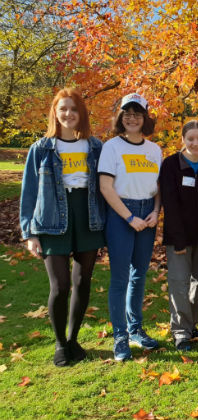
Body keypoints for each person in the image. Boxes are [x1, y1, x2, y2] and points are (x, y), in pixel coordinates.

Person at [19, 88, 105, 366]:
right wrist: (29, 232)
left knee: (82, 282)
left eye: (74, 109)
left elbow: (106, 186)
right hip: (52, 220)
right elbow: (29, 192)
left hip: (88, 218)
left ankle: (73, 340)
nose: (69, 114)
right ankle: (59, 344)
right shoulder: (41, 148)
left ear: (82, 114)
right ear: (55, 113)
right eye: (63, 109)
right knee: (60, 285)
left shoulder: (95, 147)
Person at [98, 93, 162, 361]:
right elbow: (105, 186)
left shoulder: (154, 150)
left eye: (137, 113)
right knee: (121, 277)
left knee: (140, 275)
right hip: (121, 215)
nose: (132, 118)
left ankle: (136, 330)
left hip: (147, 214)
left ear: (145, 117)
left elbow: (159, 187)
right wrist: (128, 217)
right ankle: (120, 336)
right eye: (127, 113)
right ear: (120, 117)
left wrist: (156, 212)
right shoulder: (111, 147)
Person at [159, 120, 198, 351]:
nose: (195, 143)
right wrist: (178, 238)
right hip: (179, 237)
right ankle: (180, 331)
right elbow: (169, 204)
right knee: (179, 283)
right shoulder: (171, 164)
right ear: (183, 139)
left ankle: (192, 326)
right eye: (190, 139)